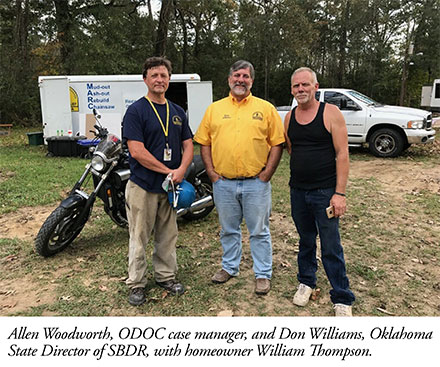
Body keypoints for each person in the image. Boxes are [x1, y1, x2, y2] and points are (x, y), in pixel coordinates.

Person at [194, 60, 285, 295]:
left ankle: (262, 273)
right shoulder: (214, 109)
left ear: (251, 81)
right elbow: (204, 142)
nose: (240, 80)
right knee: (228, 230)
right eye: (236, 75)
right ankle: (229, 267)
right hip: (223, 183)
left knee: (259, 231)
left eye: (245, 76)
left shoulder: (266, 109)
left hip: (256, 183)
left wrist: (267, 174)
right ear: (229, 79)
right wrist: (212, 174)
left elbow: (277, 143)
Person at [122, 56, 194, 306]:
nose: (159, 80)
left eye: (164, 75)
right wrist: (168, 171)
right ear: (145, 79)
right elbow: (137, 151)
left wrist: (182, 169)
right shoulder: (136, 111)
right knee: (139, 235)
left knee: (168, 234)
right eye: (154, 75)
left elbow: (187, 144)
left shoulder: (177, 111)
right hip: (143, 185)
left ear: (169, 79)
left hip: (170, 186)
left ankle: (165, 276)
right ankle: (137, 283)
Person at [284, 67, 355, 316]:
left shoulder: (331, 113)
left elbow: (342, 154)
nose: (300, 90)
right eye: (296, 86)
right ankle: (306, 282)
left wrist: (340, 193)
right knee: (305, 240)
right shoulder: (290, 117)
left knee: (330, 245)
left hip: (325, 192)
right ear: (292, 90)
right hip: (298, 192)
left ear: (316, 87)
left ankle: (342, 297)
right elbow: (292, 149)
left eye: (305, 85)